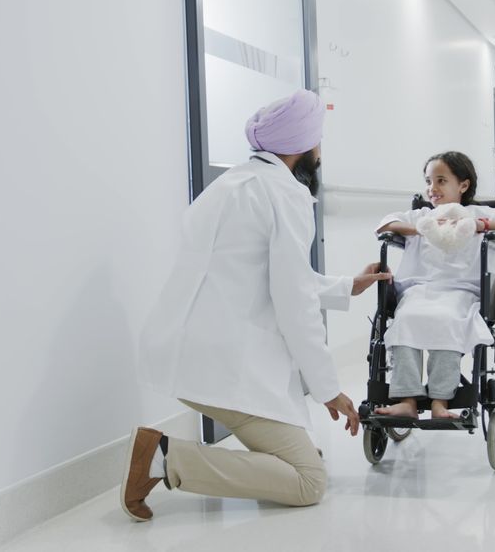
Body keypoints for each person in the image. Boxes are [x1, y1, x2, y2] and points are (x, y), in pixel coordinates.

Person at [121, 90, 390, 522]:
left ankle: (202, 454)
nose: (320, 153)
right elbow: (294, 302)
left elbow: (263, 276)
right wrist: (328, 389)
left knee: (304, 452)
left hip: (192, 348)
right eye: (318, 142)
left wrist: (344, 286)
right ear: (304, 147)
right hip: (225, 363)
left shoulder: (232, 183)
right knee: (309, 480)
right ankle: (162, 458)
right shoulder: (285, 194)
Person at [374, 151, 495, 420]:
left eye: (441, 181)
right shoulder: (421, 215)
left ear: (463, 185)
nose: (432, 189)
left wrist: (480, 224)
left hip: (463, 292)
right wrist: (420, 228)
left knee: (447, 319)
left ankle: (440, 403)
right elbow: (384, 224)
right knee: (406, 318)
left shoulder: (480, 212)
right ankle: (407, 399)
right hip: (419, 290)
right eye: (429, 181)